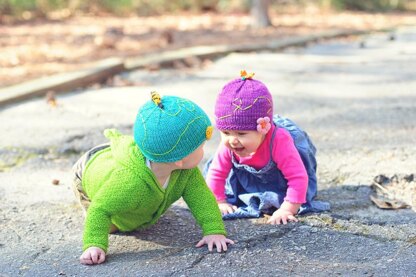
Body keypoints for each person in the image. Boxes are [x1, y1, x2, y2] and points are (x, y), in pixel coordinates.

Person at [72, 92, 234, 265]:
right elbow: (100, 209)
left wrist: (214, 230)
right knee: (114, 225)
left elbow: (201, 198)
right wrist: (94, 245)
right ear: (179, 159)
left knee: (133, 212)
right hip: (87, 169)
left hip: (140, 154)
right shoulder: (128, 183)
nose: (204, 152)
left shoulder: (187, 171)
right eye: (201, 147)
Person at [205, 71, 330, 224]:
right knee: (221, 183)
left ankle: (281, 199)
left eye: (242, 133)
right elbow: (217, 173)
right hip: (247, 181)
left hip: (280, 181)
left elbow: (297, 176)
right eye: (225, 132)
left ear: (262, 129)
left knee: (289, 196)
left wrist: (287, 209)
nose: (232, 140)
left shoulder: (279, 140)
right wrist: (219, 202)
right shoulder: (230, 143)